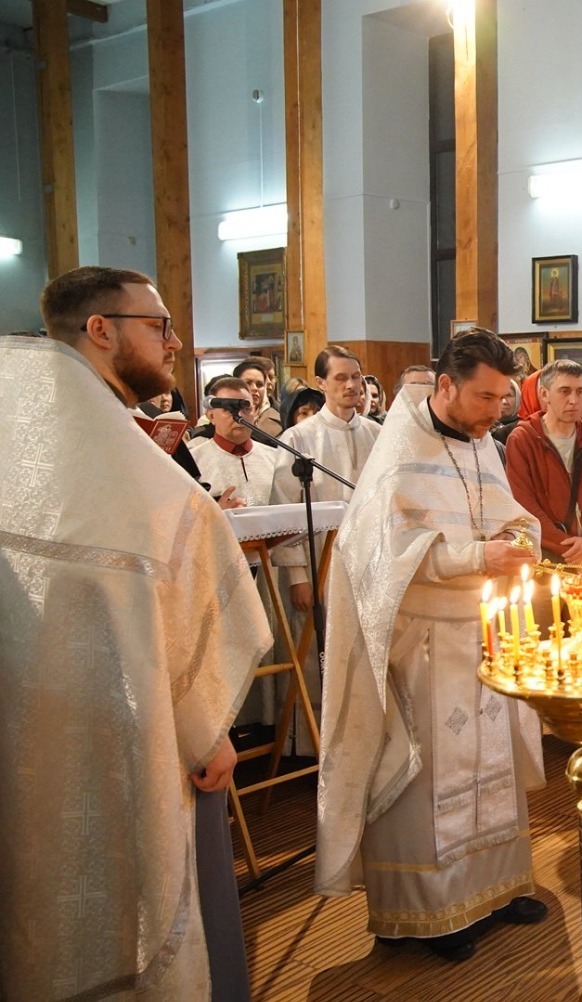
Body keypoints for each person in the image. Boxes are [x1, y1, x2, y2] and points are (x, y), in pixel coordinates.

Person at [2, 266, 270, 1000]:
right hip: (123, 734)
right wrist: (207, 731)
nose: (175, 343)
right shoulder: (127, 470)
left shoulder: (25, 431)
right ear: (100, 330)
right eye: (159, 326)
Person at [316, 329, 548, 962]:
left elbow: (509, 514)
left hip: (482, 629)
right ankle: (429, 911)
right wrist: (476, 556)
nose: (496, 411)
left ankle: (498, 889)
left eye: (502, 398)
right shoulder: (399, 451)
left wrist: (518, 540)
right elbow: (383, 557)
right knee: (431, 779)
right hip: (421, 642)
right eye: (485, 397)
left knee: (491, 765)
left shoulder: (480, 441)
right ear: (446, 385)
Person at [270, 344, 382, 614]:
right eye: (340, 378)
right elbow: (284, 509)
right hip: (319, 562)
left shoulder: (377, 434)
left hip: (370, 560)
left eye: (355, 377)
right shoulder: (299, 437)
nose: (351, 385)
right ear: (321, 383)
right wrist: (298, 578)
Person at [504, 359, 582, 564]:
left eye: (580, 392)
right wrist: (566, 546)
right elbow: (523, 503)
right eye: (565, 391)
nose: (574, 400)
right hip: (548, 556)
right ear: (544, 394)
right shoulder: (523, 439)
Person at [189, 376, 277, 508]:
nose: (239, 416)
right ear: (211, 416)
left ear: (255, 413)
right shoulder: (193, 462)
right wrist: (215, 513)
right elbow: (184, 511)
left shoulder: (275, 458)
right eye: (229, 409)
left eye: (246, 408)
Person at [235, 355, 281, 436]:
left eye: (259, 384)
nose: (255, 388)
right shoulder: (224, 416)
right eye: (248, 383)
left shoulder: (280, 415)